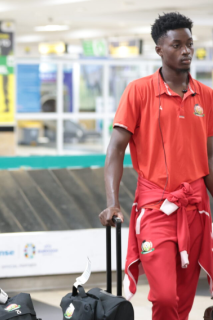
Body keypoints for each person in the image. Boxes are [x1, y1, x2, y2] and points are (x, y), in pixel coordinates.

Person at [100, 12, 213, 320]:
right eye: (177, 45)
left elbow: (211, 156)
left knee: (184, 301)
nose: (186, 51)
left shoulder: (207, 96)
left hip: (196, 209)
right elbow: (115, 150)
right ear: (159, 50)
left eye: (190, 44)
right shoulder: (138, 91)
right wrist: (112, 203)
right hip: (155, 209)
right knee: (164, 296)